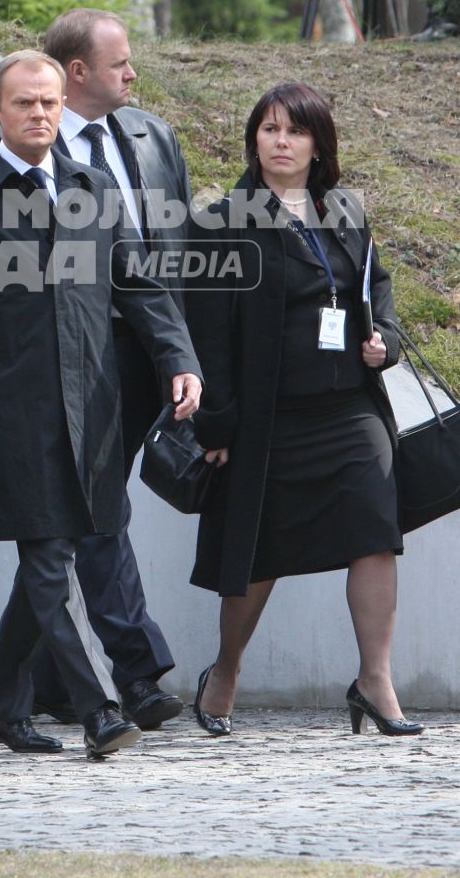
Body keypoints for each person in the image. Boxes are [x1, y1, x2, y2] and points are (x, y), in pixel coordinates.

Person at [0, 51, 202, 759]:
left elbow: (140, 287)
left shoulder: (92, 186)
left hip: (93, 410)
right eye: (23, 104)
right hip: (9, 418)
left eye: (47, 104)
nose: (39, 114)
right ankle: (99, 708)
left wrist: (178, 359)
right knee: (47, 557)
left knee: (53, 554)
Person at [184, 81, 420, 738]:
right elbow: (207, 331)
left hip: (350, 408)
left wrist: (386, 342)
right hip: (268, 417)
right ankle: (226, 671)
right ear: (253, 140)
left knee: (377, 534)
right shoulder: (221, 219)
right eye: (269, 129)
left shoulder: (344, 209)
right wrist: (218, 423)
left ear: (319, 144)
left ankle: (375, 680)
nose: (281, 142)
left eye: (295, 131)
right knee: (259, 554)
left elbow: (377, 286)